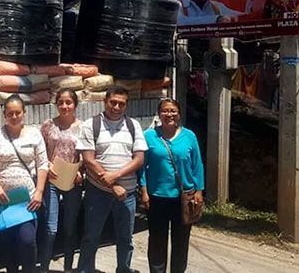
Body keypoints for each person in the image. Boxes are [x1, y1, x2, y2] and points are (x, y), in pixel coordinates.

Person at [76, 85, 147, 273]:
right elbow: (89, 160)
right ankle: (85, 269)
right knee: (91, 236)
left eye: (121, 104)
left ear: (126, 106)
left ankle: (124, 269)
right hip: (98, 192)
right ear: (105, 102)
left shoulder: (134, 126)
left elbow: (139, 159)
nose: (116, 107)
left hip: (128, 194)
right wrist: (113, 185)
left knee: (125, 238)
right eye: (113, 102)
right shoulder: (91, 125)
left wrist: (115, 176)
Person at [0, 94, 49, 273]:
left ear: (24, 113)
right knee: (8, 243)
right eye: (10, 113)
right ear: (4, 114)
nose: (14, 117)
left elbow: (42, 164)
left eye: (17, 113)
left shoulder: (34, 134)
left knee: (27, 240)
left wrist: (39, 192)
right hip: (3, 200)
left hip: (27, 199)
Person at [139, 98, 204, 273]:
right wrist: (144, 191)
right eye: (165, 111)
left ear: (179, 114)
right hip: (157, 196)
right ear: (159, 114)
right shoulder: (149, 136)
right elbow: (142, 167)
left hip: (184, 197)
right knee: (157, 240)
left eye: (173, 111)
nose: (169, 114)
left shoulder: (189, 136)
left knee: (181, 241)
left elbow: (197, 164)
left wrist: (199, 191)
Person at [38, 89, 83, 273]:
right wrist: (47, 165)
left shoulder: (84, 127)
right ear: (56, 105)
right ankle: (44, 268)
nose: (64, 106)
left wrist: (82, 172)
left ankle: (67, 268)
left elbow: (88, 154)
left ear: (75, 105)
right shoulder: (48, 125)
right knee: (51, 229)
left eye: (68, 102)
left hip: (73, 181)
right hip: (52, 181)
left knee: (70, 229)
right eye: (61, 102)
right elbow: (39, 151)